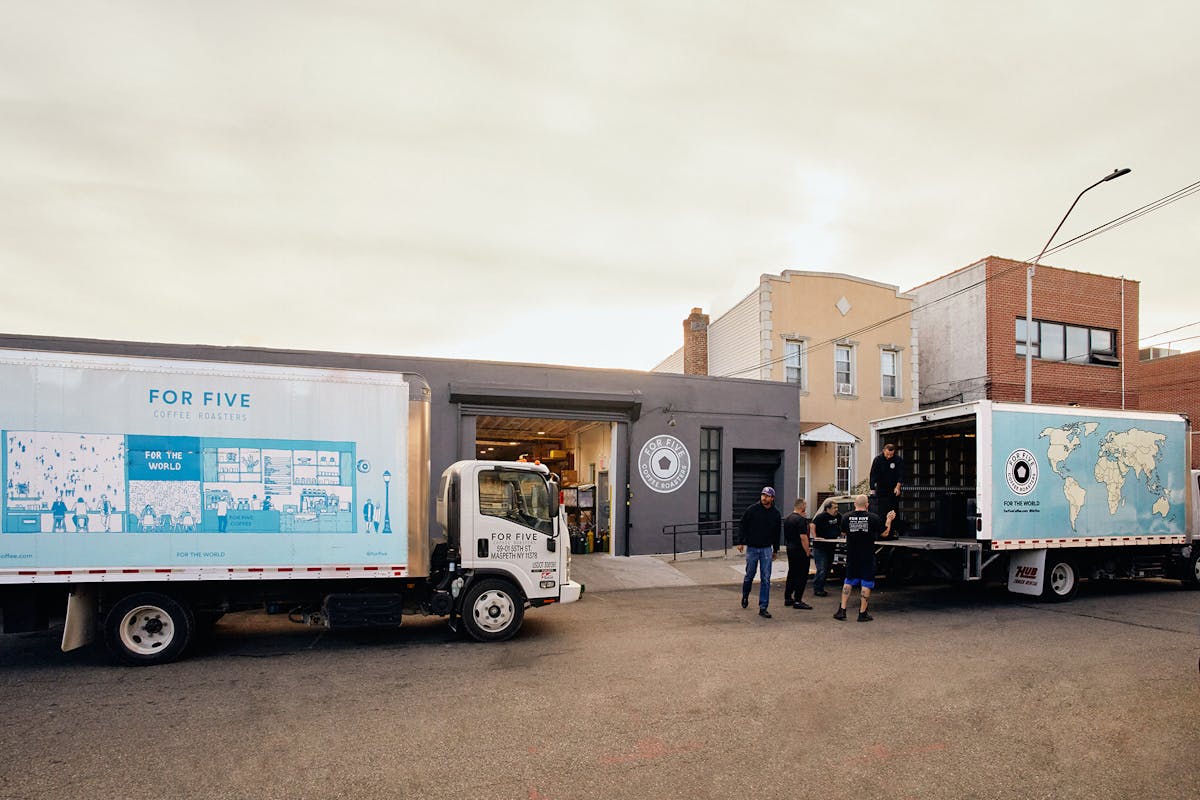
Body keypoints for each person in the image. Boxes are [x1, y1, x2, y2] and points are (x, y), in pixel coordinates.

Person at [835, 495, 895, 622]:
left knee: (848, 581)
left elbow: (844, 532)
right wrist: (889, 520)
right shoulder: (873, 518)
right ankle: (862, 613)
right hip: (867, 555)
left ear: (854, 504)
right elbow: (884, 533)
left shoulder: (846, 517)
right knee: (866, 582)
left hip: (852, 555)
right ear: (867, 504)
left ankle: (842, 610)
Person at [737, 486, 782, 618]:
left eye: (767, 496)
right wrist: (740, 541)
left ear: (772, 498)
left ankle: (763, 607)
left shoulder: (775, 514)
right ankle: (745, 595)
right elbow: (742, 525)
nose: (764, 498)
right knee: (749, 575)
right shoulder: (752, 510)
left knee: (766, 578)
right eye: (763, 495)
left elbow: (777, 533)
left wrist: (776, 549)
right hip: (752, 547)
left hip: (767, 549)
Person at [783, 499, 813, 609]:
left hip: (790, 548)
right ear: (802, 507)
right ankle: (798, 599)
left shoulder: (788, 519)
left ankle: (788, 597)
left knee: (792, 572)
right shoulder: (801, 520)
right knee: (802, 575)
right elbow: (803, 537)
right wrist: (807, 550)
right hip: (799, 549)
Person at [810, 499, 841, 597]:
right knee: (822, 568)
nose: (836, 510)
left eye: (837, 507)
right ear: (828, 508)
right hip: (820, 547)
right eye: (834, 508)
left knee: (828, 568)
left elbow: (843, 525)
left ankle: (821, 587)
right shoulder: (821, 517)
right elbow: (812, 525)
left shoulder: (838, 516)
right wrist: (815, 537)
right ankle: (817, 588)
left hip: (831, 546)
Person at [869, 442, 906, 523]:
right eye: (887, 454)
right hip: (881, 489)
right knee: (882, 510)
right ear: (883, 451)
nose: (889, 456)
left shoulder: (898, 460)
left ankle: (894, 529)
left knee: (894, 509)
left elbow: (901, 474)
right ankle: (882, 529)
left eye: (891, 455)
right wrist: (872, 488)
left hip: (894, 489)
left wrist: (898, 487)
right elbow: (873, 474)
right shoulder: (878, 459)